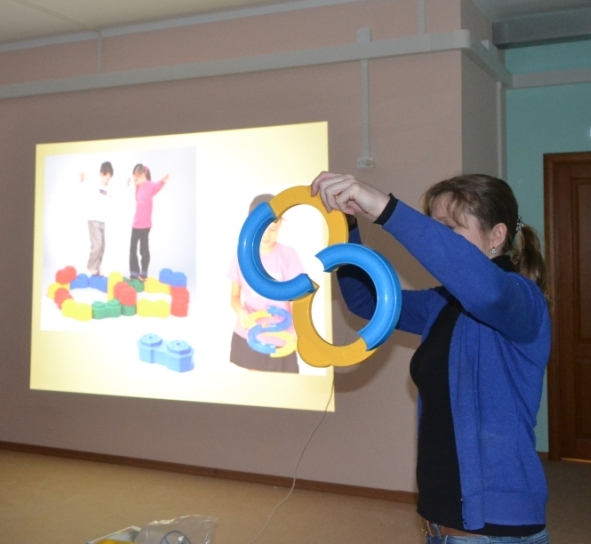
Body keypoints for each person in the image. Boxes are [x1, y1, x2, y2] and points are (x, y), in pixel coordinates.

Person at [312, 172, 551, 544]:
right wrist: (348, 225)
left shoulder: (521, 300)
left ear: (497, 236)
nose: (437, 238)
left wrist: (387, 209)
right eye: (434, 227)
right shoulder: (441, 304)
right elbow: (368, 302)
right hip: (440, 521)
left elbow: (486, 291)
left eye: (449, 228)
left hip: (494, 530)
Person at [228, 194, 306, 373]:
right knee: (256, 386)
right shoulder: (241, 257)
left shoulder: (289, 256)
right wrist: (240, 312)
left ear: (280, 224)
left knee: (285, 387)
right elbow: (234, 297)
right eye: (261, 228)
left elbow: (298, 299)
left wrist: (298, 330)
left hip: (283, 337)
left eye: (273, 228)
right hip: (251, 335)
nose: (266, 235)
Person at [128, 163, 169, 281]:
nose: (136, 182)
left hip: (145, 226)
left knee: (144, 250)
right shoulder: (138, 187)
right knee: (132, 249)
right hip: (136, 225)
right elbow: (136, 197)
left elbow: (157, 186)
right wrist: (134, 185)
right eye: (134, 179)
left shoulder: (150, 186)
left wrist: (163, 181)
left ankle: (144, 273)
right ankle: (134, 272)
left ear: (143, 175)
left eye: (137, 179)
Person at [80, 161, 114, 276]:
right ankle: (91, 266)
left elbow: (117, 194)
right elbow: (86, 187)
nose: (108, 181)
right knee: (97, 244)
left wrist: (127, 185)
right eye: (107, 178)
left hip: (102, 221)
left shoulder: (107, 189)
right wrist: (83, 180)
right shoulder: (95, 185)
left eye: (109, 179)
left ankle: (96, 268)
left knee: (102, 246)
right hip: (93, 219)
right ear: (101, 174)